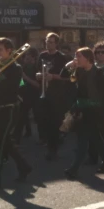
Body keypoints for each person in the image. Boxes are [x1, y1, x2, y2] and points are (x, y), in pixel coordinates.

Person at [0, 38, 32, 189]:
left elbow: (11, 87)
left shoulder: (16, 68)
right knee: (6, 142)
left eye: (0, 50)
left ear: (9, 50)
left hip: (9, 109)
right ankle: (24, 166)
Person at [63, 47, 104, 180]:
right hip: (82, 109)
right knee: (95, 137)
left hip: (95, 111)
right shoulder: (79, 70)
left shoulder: (99, 73)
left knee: (83, 139)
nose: (76, 59)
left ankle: (74, 168)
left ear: (87, 58)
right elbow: (64, 75)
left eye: (79, 56)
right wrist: (70, 65)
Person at [36, 32, 70, 160]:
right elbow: (38, 70)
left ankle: (53, 148)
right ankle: (51, 142)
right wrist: (39, 75)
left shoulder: (61, 57)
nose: (48, 43)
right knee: (44, 120)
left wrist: (53, 77)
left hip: (56, 94)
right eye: (47, 41)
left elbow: (66, 77)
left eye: (51, 42)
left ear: (56, 44)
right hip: (44, 91)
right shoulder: (42, 55)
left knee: (54, 122)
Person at [15, 47, 40, 144]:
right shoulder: (23, 67)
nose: (26, 58)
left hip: (35, 95)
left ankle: (43, 137)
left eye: (28, 57)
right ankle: (17, 138)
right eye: (25, 57)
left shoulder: (37, 68)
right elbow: (21, 82)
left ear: (33, 57)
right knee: (21, 116)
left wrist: (26, 78)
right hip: (25, 95)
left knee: (38, 117)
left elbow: (38, 85)